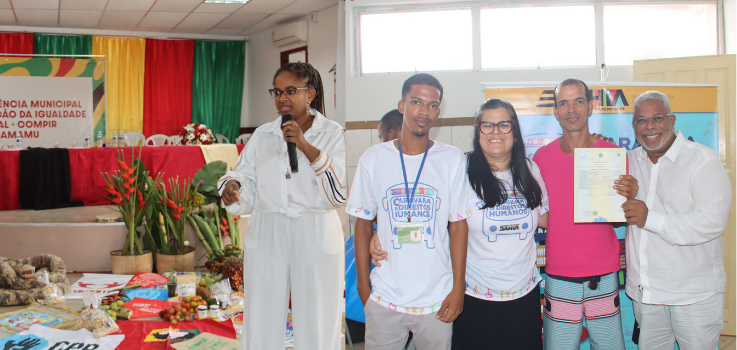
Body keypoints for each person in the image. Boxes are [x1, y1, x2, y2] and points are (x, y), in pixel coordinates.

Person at [372, 98, 550, 349]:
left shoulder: (531, 170)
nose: (496, 131)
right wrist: (380, 231)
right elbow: (422, 209)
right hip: (473, 295)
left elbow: (543, 218)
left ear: (515, 131)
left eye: (504, 125)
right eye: (487, 125)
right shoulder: (459, 168)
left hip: (523, 295)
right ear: (478, 132)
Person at [218, 62, 346, 350]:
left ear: (310, 94)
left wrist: (304, 144)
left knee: (317, 316)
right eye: (277, 92)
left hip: (314, 230)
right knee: (261, 313)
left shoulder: (332, 133)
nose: (282, 98)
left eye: (290, 91)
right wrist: (233, 188)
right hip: (267, 229)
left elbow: (338, 192)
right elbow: (244, 174)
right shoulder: (263, 135)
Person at [348, 73, 471, 349]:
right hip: (384, 296)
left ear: (439, 110)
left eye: (432, 105)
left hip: (437, 298)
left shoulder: (451, 159)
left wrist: (457, 288)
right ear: (402, 105)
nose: (424, 112)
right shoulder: (373, 158)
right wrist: (363, 287)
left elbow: (458, 224)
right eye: (416, 102)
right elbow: (363, 222)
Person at [622, 91, 730, 350]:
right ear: (634, 125)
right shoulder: (628, 162)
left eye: (657, 118)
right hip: (647, 294)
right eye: (641, 120)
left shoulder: (702, 160)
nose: (649, 126)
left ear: (672, 120)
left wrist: (651, 218)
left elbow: (712, 222)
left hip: (694, 295)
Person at [533, 78, 628, 350]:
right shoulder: (541, 158)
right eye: (563, 102)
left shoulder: (612, 155)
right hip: (559, 275)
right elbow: (536, 213)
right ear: (556, 111)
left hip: (603, 274)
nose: (571, 108)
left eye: (578, 101)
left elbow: (620, 216)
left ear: (591, 107)